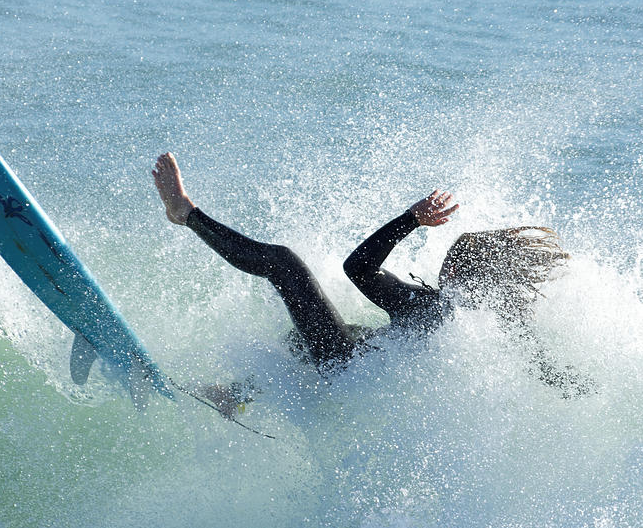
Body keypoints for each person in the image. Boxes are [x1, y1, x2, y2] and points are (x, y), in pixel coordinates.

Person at [152, 152, 592, 398]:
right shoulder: (494, 327)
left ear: (461, 271)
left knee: (284, 264)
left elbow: (356, 269)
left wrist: (410, 220)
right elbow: (545, 369)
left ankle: (185, 213)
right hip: (362, 378)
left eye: (452, 260)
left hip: (345, 369)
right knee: (306, 341)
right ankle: (235, 396)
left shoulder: (435, 310)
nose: (445, 267)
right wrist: (583, 387)